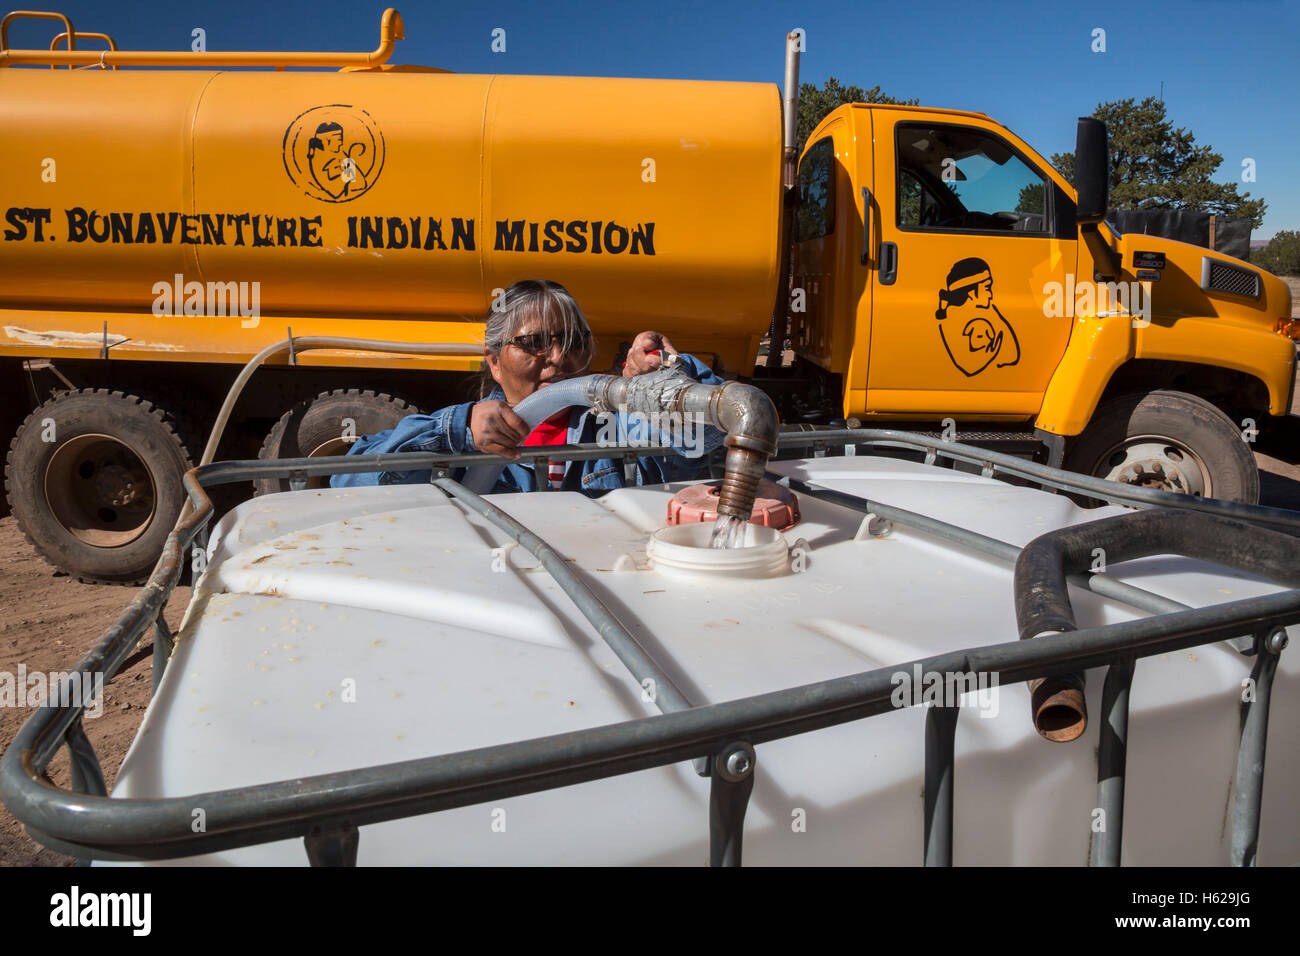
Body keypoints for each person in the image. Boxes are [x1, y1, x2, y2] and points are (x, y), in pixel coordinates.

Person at [331, 280, 726, 492]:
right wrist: (455, 431)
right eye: (534, 343)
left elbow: (705, 433)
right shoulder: (459, 439)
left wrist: (662, 377)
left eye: (572, 342)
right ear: (494, 361)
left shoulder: (618, 428)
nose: (557, 358)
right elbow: (349, 482)